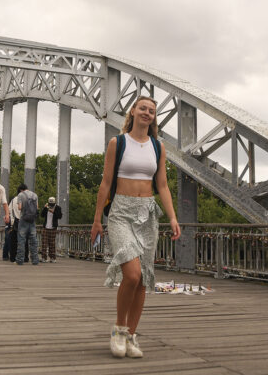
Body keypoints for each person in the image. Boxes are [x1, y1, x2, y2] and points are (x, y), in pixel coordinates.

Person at [90, 96, 181, 358]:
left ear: (154, 117)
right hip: (120, 212)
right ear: (133, 111)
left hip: (147, 213)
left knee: (143, 278)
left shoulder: (157, 146)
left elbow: (162, 185)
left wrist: (172, 217)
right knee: (131, 274)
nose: (147, 113)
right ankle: (118, 329)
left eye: (152, 111)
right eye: (143, 108)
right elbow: (106, 183)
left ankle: (131, 335)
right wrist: (97, 219)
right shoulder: (117, 143)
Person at [15, 184, 39, 266]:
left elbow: (19, 207)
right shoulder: (35, 195)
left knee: (21, 240)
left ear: (21, 189)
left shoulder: (21, 195)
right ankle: (35, 260)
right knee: (33, 241)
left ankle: (20, 260)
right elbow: (37, 207)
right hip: (32, 220)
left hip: (23, 219)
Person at [40, 196, 63, 263]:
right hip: (45, 227)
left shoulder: (58, 208)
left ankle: (52, 257)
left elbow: (60, 216)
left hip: (53, 228)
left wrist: (53, 212)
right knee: (44, 243)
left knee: (52, 244)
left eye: (52, 204)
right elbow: (42, 215)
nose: (51, 206)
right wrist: (45, 208)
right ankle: (44, 257)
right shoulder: (47, 207)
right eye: (50, 204)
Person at [3, 186, 23, 262]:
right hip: (16, 222)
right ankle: (16, 256)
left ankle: (6, 255)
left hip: (11, 222)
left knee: (9, 240)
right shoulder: (20, 200)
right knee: (17, 240)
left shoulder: (13, 200)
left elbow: (9, 209)